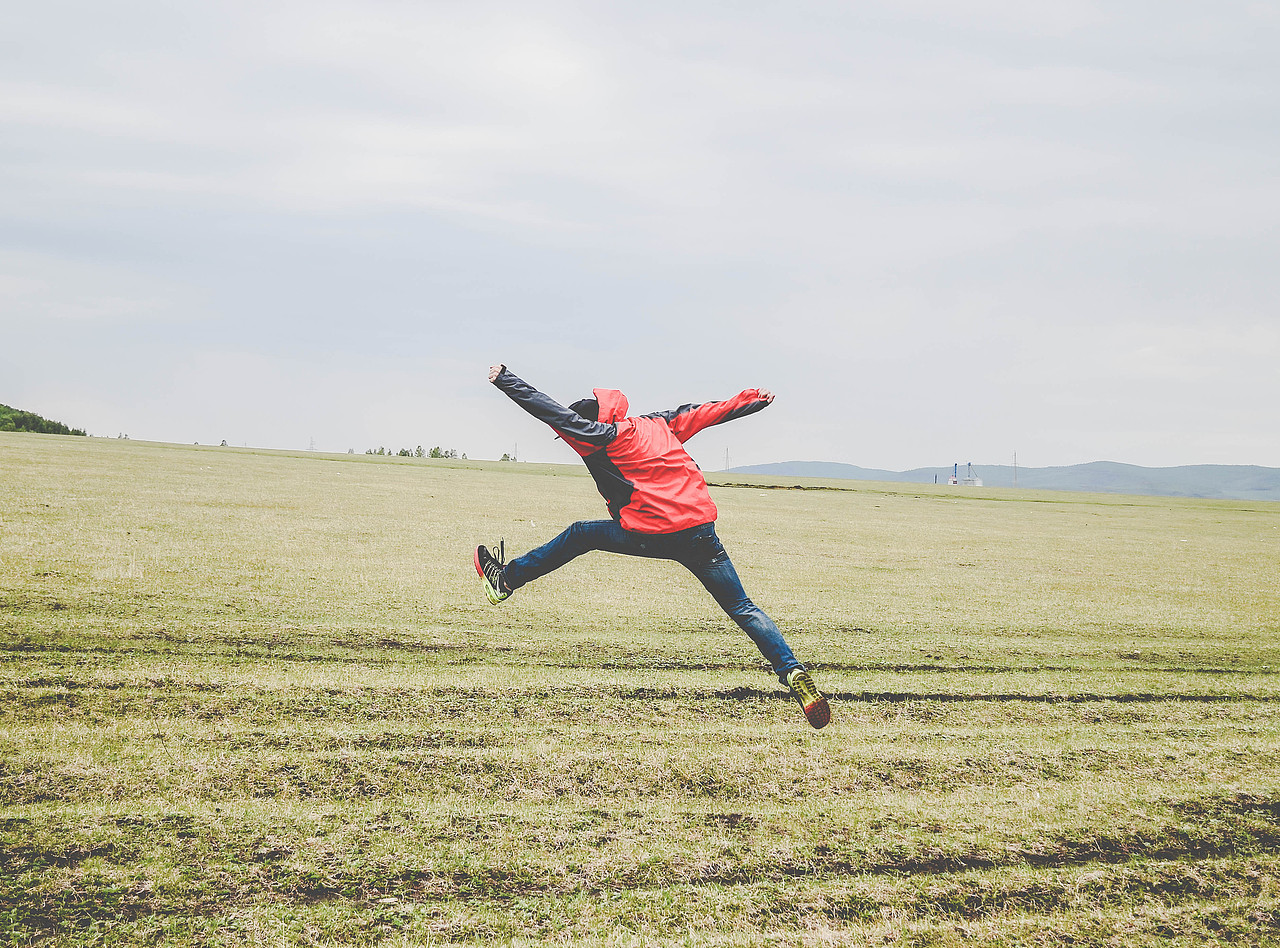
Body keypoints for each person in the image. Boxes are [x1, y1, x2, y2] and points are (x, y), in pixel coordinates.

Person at [474, 364, 830, 729]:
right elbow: (704, 412)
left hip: (655, 531)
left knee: (581, 534)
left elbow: (546, 408)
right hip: (701, 530)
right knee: (742, 607)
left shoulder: (600, 436)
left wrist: (505, 379)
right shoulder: (659, 424)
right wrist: (752, 400)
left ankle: (504, 581)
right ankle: (792, 671)